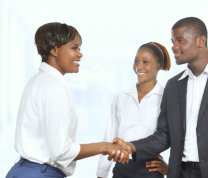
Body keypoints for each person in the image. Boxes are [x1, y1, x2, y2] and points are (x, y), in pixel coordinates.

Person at [111, 17, 208, 178]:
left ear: (201, 41)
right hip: (180, 173)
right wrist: (131, 146)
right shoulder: (173, 86)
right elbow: (164, 135)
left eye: (180, 40)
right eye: (172, 41)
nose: (173, 47)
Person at [6, 22, 129, 178]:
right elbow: (61, 152)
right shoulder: (54, 87)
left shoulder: (39, 80)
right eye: (74, 48)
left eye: (79, 48)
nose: (80, 54)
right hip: (40, 173)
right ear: (54, 49)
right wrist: (106, 147)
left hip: (23, 170)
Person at [96, 42, 171, 178]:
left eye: (145, 62)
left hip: (150, 170)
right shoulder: (121, 97)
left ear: (159, 65)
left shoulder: (166, 98)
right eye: (136, 61)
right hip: (121, 169)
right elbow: (109, 136)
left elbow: (169, 137)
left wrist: (170, 169)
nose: (138, 66)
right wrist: (101, 173)